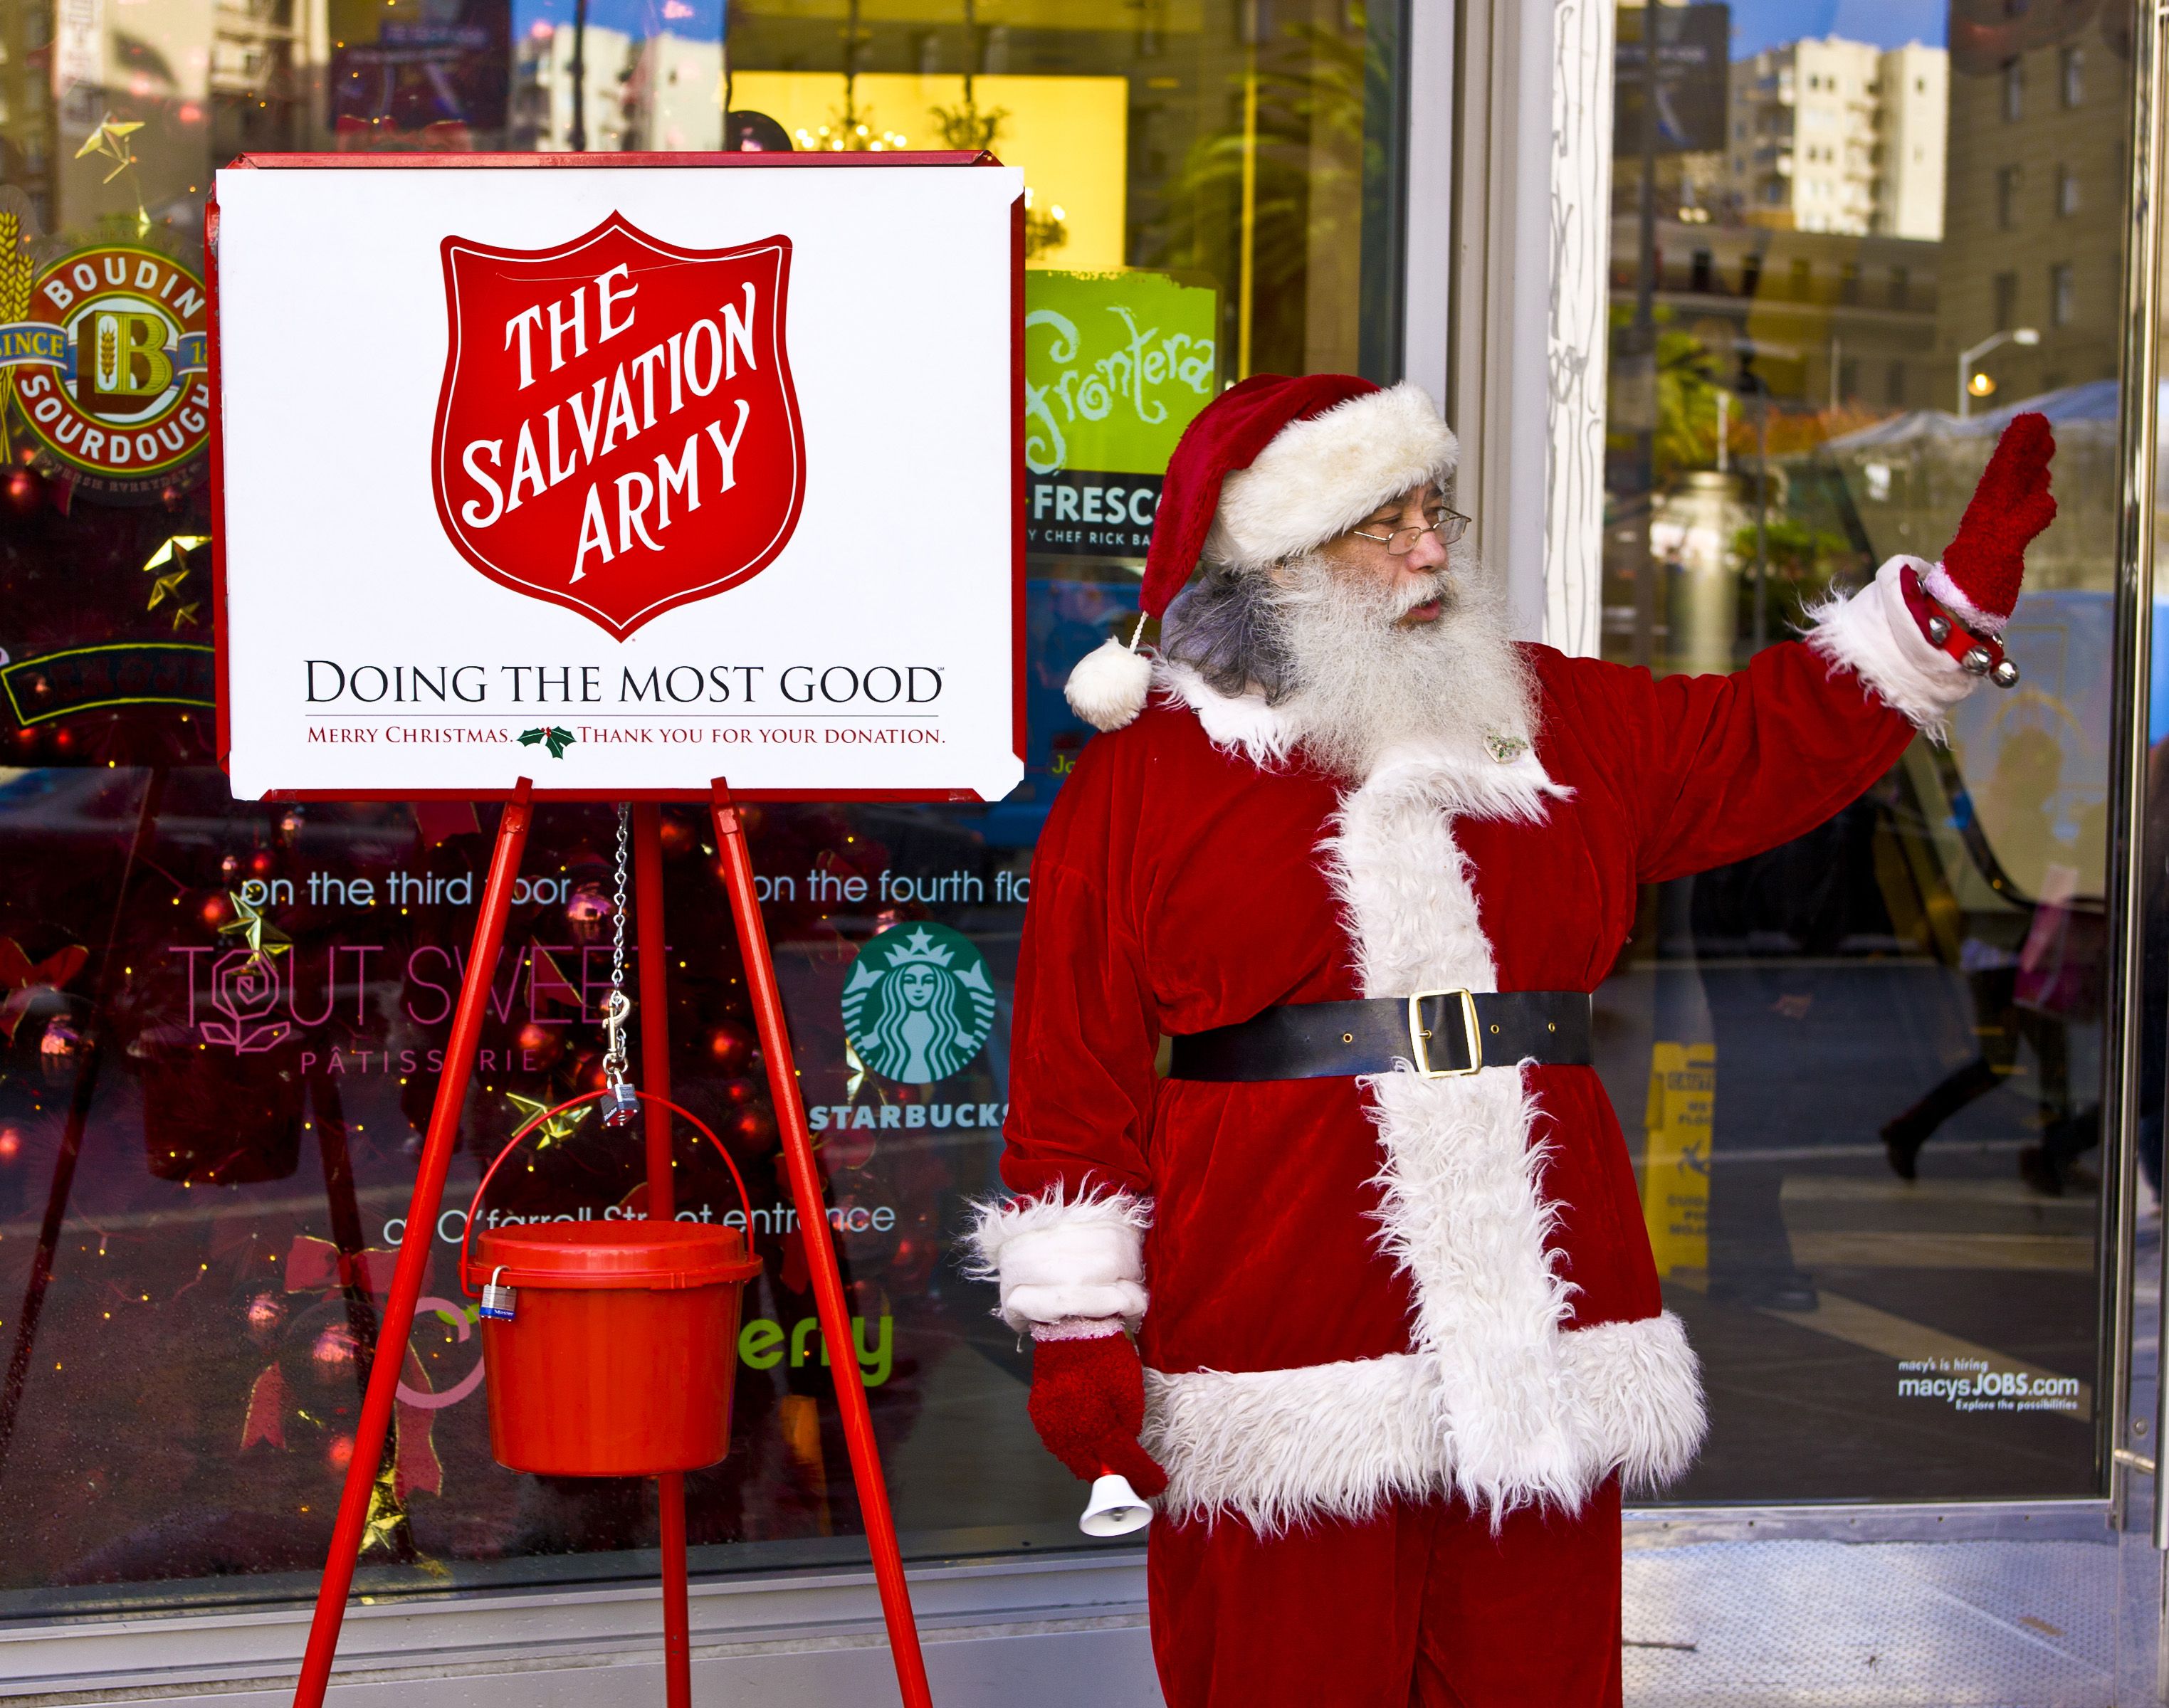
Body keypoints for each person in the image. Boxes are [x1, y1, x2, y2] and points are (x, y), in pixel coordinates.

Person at [966, 375, 2056, 1708]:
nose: (1432, 547)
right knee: (1282, 1666)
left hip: (1546, 1315)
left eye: (1436, 509)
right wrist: (1081, 1328)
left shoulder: (1557, 719)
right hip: (1280, 1308)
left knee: (1532, 1662)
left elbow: (1755, 742)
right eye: (1385, 523)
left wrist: (1935, 613)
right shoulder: (1151, 776)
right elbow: (1072, 1078)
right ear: (1275, 560)